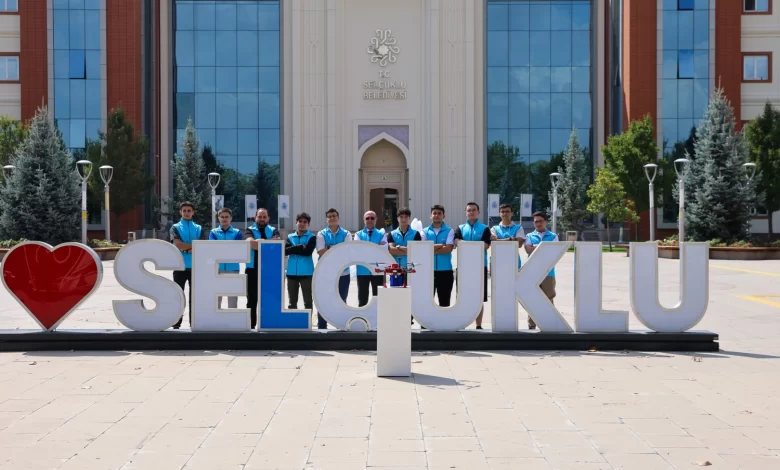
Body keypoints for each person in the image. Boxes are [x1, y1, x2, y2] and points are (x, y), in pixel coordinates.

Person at [454, 202, 492, 329]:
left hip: (480, 266)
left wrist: (465, 244)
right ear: (465, 213)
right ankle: (461, 323)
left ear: (478, 212)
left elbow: (486, 245)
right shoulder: (460, 228)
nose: (471, 212)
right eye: (469, 210)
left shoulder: (485, 228)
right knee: (462, 297)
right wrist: (474, 245)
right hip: (463, 267)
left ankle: (478, 325)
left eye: (474, 210)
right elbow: (457, 242)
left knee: (479, 297)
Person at [170, 201, 206, 329]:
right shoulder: (175, 227)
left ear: (193, 212)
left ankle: (194, 323)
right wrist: (192, 247)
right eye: (184, 210)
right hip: (179, 266)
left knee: (194, 297)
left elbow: (202, 246)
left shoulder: (199, 228)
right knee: (178, 296)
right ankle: (176, 323)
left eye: (189, 210)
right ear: (180, 212)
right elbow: (178, 244)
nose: (186, 213)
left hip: (195, 267)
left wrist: (186, 248)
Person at [244, 208, 281, 329]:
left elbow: (277, 244)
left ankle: (268, 326)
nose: (262, 219)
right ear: (255, 218)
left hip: (269, 270)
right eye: (259, 217)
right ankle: (251, 326)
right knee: (251, 300)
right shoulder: (249, 230)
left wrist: (260, 242)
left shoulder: (274, 230)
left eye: (264, 217)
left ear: (268, 218)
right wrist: (268, 243)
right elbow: (250, 244)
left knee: (269, 299)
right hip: (252, 269)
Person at [315, 208, 351, 329]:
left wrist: (329, 248)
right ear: (327, 220)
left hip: (343, 273)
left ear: (338, 218)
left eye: (334, 216)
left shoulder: (346, 233)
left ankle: (341, 326)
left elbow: (347, 251)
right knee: (323, 300)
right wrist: (338, 248)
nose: (332, 218)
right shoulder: (321, 234)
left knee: (342, 300)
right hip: (325, 273)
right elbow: (320, 251)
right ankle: (321, 326)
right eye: (329, 216)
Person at [524, 211, 559, 330]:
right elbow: (528, 250)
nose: (538, 224)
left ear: (546, 222)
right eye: (536, 222)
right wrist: (544, 246)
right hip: (532, 272)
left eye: (540, 221)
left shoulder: (553, 236)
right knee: (533, 299)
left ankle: (549, 324)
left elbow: (553, 251)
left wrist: (535, 246)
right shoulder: (529, 236)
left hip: (548, 272)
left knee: (548, 298)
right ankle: (532, 325)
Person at [387, 207, 422, 323]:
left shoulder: (416, 234)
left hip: (410, 269)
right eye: (401, 217)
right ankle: (397, 318)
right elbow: (392, 251)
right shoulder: (392, 234)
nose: (403, 219)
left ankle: (409, 318)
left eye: (406, 217)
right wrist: (406, 249)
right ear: (397, 219)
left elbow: (416, 251)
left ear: (409, 218)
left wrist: (399, 247)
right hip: (395, 270)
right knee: (396, 295)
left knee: (410, 295)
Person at [209, 207, 243, 309]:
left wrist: (221, 248)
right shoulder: (213, 232)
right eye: (222, 217)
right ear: (218, 218)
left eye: (226, 217)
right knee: (216, 296)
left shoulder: (237, 232)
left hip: (233, 268)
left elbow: (236, 249)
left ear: (230, 218)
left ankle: (232, 317)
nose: (224, 219)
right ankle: (215, 317)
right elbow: (212, 248)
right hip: (217, 269)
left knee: (232, 297)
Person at [420, 205, 455, 307]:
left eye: (439, 213)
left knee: (444, 303)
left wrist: (430, 247)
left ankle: (444, 319)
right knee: (426, 302)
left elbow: (448, 249)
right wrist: (441, 245)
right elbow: (424, 250)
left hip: (445, 272)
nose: (437, 215)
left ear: (444, 216)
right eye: (434, 213)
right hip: (428, 271)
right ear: (430, 216)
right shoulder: (424, 231)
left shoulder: (450, 231)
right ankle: (426, 319)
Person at [354, 210, 388, 307]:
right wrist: (377, 246)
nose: (370, 220)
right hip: (362, 271)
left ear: (376, 220)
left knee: (378, 299)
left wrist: (366, 248)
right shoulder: (358, 234)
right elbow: (358, 250)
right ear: (364, 220)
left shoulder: (382, 234)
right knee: (362, 300)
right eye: (367, 218)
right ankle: (362, 317)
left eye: (372, 218)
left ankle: (377, 317)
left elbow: (384, 250)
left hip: (378, 270)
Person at [285, 212, 317, 313]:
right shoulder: (290, 237)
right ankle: (293, 322)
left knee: (308, 302)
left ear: (308, 224)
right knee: (292, 303)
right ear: (296, 223)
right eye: (300, 221)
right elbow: (285, 251)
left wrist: (293, 249)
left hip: (307, 273)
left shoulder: (311, 237)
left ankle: (308, 321)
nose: (302, 223)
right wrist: (299, 247)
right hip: (291, 273)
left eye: (305, 222)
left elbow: (307, 252)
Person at [490, 203, 526, 271]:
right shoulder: (494, 228)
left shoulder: (518, 227)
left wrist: (499, 240)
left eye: (507, 211)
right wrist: (511, 239)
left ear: (512, 213)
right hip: (497, 261)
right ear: (499, 214)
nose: (505, 213)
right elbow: (494, 243)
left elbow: (519, 244)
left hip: (514, 261)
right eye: (502, 212)